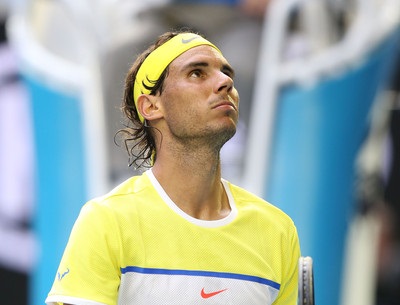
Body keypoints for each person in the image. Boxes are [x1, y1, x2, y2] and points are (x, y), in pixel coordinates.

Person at [45, 30, 301, 305]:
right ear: (151, 106)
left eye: (227, 74)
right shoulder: (107, 221)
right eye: (197, 73)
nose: (225, 82)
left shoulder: (278, 232)